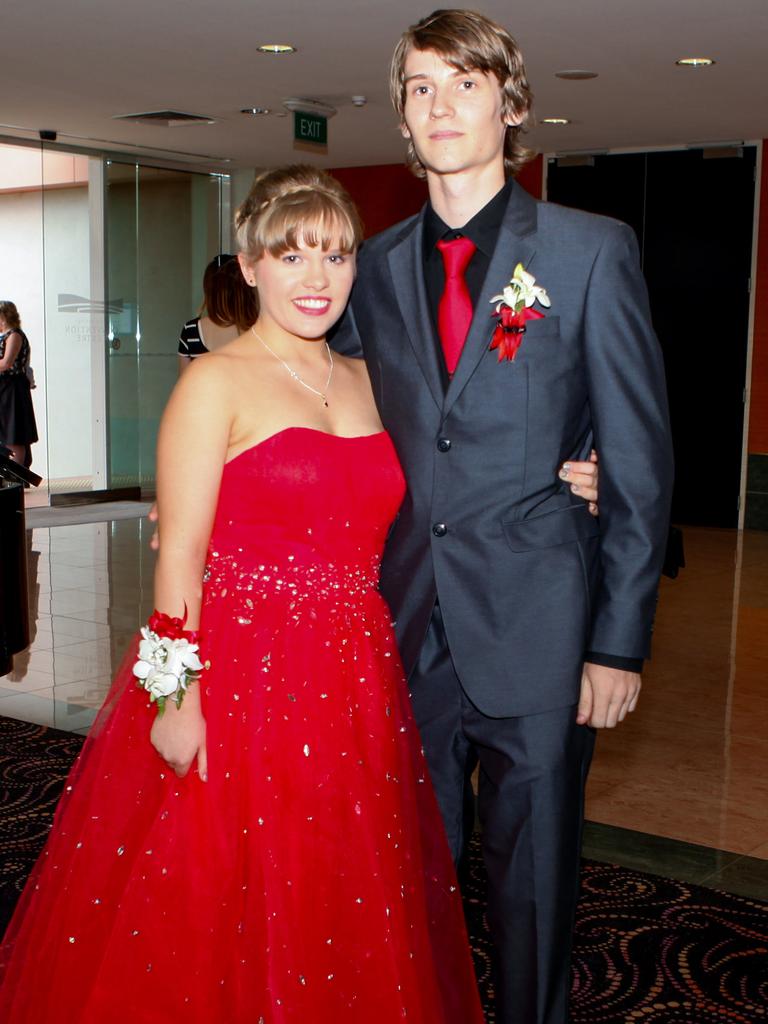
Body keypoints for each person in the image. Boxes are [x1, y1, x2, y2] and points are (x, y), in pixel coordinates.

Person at [0, 166, 485, 1023]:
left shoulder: (375, 383)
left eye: (335, 257)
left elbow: (455, 481)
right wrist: (173, 699)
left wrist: (572, 475)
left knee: (338, 880)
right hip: (243, 673)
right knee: (224, 889)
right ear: (251, 264)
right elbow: (177, 561)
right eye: (292, 255)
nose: (316, 277)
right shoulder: (212, 384)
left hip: (352, 672)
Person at [330, 10, 674, 1024]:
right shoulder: (372, 269)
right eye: (422, 88)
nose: (442, 107)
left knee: (531, 888)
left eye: (466, 85)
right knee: (414, 886)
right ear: (400, 115)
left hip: (542, 628)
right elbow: (313, 389)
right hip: (406, 631)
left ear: (511, 106)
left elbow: (642, 461)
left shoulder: (586, 252)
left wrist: (618, 645)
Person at [177, 253, 258, 373]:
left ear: (209, 290)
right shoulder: (261, 330)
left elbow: (184, 386)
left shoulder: (191, 331)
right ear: (247, 290)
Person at [0, 301, 38, 466]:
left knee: (14, 436)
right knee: (7, 435)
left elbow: (7, 363)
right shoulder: (6, 335)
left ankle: (15, 482)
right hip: (5, 389)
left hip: (12, 389)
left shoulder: (14, 335)